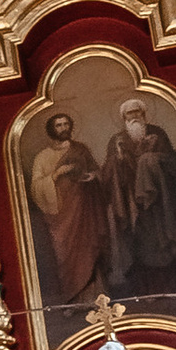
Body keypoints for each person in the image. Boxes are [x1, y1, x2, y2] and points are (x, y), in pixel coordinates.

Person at [106, 96, 176, 301]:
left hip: (160, 205)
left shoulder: (157, 133)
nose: (134, 117)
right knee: (140, 248)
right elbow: (109, 173)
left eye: (137, 112)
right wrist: (118, 158)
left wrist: (151, 160)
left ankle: (170, 288)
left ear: (143, 115)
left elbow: (173, 162)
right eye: (130, 114)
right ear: (124, 118)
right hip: (132, 206)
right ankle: (145, 292)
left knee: (163, 242)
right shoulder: (116, 140)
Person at [29, 104, 112, 310]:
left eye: (66, 124)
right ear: (52, 129)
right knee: (66, 255)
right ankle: (74, 300)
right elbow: (37, 187)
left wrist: (93, 177)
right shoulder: (43, 157)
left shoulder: (80, 149)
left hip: (85, 210)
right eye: (58, 125)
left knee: (90, 249)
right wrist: (57, 174)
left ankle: (97, 297)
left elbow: (96, 172)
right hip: (62, 216)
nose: (63, 128)